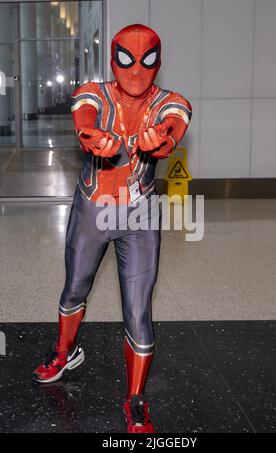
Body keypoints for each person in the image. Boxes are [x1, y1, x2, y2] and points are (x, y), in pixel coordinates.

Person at [33, 24, 192, 433]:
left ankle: (136, 399)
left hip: (138, 216)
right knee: (74, 288)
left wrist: (162, 143)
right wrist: (91, 137)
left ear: (158, 62)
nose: (136, 69)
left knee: (139, 311)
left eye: (147, 60)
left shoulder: (170, 102)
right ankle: (65, 351)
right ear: (112, 59)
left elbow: (174, 126)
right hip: (92, 209)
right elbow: (85, 117)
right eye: (126, 58)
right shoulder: (93, 91)